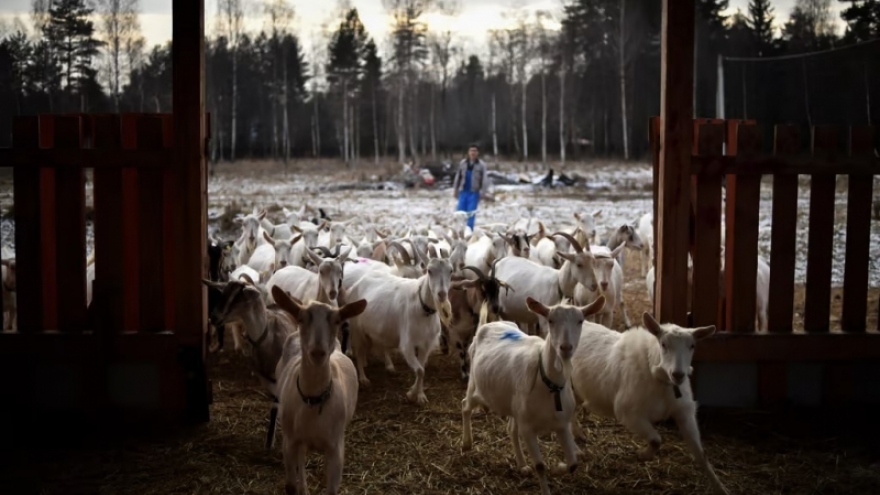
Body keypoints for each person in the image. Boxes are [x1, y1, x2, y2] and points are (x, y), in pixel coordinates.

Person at [452, 144, 489, 231]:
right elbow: (458, 177)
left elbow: (484, 179)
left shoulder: (481, 165)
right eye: (471, 151)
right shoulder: (463, 163)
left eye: (475, 151)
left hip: (474, 193)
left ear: (477, 153)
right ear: (468, 152)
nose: (473, 153)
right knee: (459, 213)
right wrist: (455, 190)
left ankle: (469, 231)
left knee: (471, 213)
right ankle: (458, 231)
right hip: (463, 191)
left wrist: (483, 192)